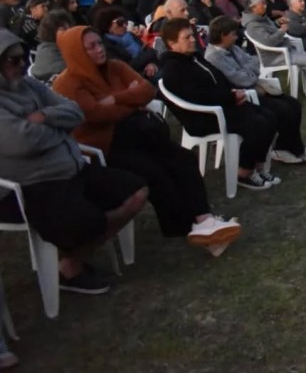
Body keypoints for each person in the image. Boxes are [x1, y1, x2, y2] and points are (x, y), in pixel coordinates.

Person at [52, 26, 241, 255]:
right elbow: (95, 114)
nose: (99, 49)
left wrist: (115, 98)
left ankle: (204, 219)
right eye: (90, 47)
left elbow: (147, 90)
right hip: (105, 145)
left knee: (183, 158)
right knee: (153, 171)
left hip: (139, 134)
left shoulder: (116, 67)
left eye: (99, 43)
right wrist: (131, 104)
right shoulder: (68, 83)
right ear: (76, 52)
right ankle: (184, 226)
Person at [0, 28, 149, 294]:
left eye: (23, 57)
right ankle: (72, 265)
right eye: (13, 61)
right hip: (32, 183)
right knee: (89, 221)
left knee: (136, 191)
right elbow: (22, 142)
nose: (22, 65)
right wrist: (59, 129)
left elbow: (75, 111)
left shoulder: (30, 84)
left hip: (73, 167)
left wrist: (44, 117)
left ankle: (71, 259)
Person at [159, 19, 281, 191]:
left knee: (269, 115)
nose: (193, 40)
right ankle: (243, 172)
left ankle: (257, 166)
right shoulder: (173, 68)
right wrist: (230, 97)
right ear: (172, 43)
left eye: (192, 36)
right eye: (187, 38)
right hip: (204, 117)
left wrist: (232, 93)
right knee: (256, 124)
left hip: (223, 106)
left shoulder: (194, 58)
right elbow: (197, 96)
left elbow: (218, 79)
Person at [205, 16, 306, 162]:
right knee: (283, 109)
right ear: (223, 35)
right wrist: (249, 71)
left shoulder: (233, 48)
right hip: (243, 95)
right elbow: (240, 79)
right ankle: (292, 149)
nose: (236, 38)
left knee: (293, 104)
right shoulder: (214, 57)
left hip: (255, 86)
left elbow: (254, 61)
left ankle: (287, 147)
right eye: (233, 34)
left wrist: (247, 70)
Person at [94, 7, 159, 80]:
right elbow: (124, 66)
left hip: (149, 71)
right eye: (120, 23)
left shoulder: (130, 35)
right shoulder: (106, 45)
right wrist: (146, 57)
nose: (125, 26)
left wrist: (152, 63)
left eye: (125, 22)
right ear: (108, 26)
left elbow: (150, 51)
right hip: (132, 78)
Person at [29, 10, 75, 83]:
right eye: (63, 29)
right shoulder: (52, 56)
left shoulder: (45, 49)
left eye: (70, 28)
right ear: (50, 32)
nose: (69, 32)